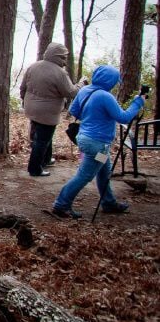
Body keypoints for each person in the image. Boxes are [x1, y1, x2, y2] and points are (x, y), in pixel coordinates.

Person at [51, 65, 147, 219]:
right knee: (85, 175)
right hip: (97, 145)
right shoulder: (105, 96)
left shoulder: (85, 90)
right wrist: (138, 103)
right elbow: (123, 117)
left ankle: (108, 202)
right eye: (115, 81)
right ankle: (61, 205)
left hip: (85, 139)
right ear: (110, 81)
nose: (116, 84)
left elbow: (74, 111)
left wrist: (93, 117)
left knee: (104, 171)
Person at [20, 43, 84, 177]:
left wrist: (25, 102)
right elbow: (71, 92)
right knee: (42, 140)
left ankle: (47, 159)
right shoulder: (60, 73)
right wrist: (81, 84)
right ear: (58, 57)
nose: (65, 61)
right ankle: (35, 169)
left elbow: (23, 87)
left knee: (43, 135)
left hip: (31, 108)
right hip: (47, 112)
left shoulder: (34, 66)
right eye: (63, 58)